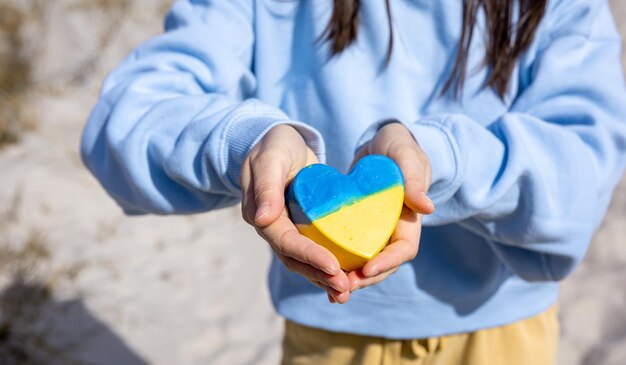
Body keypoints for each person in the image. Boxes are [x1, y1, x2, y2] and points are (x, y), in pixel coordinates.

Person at [81, 0, 626, 364]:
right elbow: (125, 119)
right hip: (328, 338)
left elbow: (583, 171)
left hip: (505, 337)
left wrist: (440, 159)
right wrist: (246, 141)